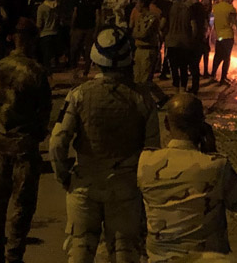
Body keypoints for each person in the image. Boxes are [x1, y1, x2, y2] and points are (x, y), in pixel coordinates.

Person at [49, 26, 160, 263]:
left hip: (84, 183)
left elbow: (58, 142)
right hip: (125, 187)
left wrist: (63, 177)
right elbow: (152, 152)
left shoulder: (78, 95)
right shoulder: (142, 98)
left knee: (80, 246)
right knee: (124, 251)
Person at [137, 93, 237, 263]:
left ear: (166, 123)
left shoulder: (146, 162)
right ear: (202, 124)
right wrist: (211, 150)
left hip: (160, 258)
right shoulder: (216, 165)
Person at [0, 17, 52, 263]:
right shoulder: (35, 71)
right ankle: (14, 255)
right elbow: (43, 112)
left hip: (0, 141)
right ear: (33, 39)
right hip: (24, 144)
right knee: (22, 206)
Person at [129, 0, 168, 107]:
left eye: (137, 2)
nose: (136, 5)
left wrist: (137, 34)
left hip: (148, 50)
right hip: (139, 49)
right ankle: (157, 99)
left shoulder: (152, 18)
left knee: (145, 80)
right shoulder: (140, 17)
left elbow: (142, 33)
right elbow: (134, 32)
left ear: (142, 4)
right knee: (137, 79)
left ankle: (151, 101)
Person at [165, 0, 198, 94]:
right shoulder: (188, 9)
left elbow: (162, 25)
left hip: (171, 42)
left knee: (174, 68)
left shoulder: (169, 8)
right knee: (184, 68)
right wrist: (192, 40)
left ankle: (175, 91)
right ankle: (183, 91)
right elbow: (194, 27)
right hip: (185, 43)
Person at [210, 0, 237, 85]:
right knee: (226, 57)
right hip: (227, 36)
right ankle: (223, 78)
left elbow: (213, 22)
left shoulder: (215, 7)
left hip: (219, 36)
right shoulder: (230, 8)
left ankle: (213, 75)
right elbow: (235, 22)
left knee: (218, 56)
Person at [35, 0, 60, 73]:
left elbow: (39, 23)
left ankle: (48, 72)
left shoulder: (41, 7)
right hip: (55, 32)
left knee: (46, 55)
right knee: (54, 53)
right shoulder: (56, 6)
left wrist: (37, 32)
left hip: (45, 33)